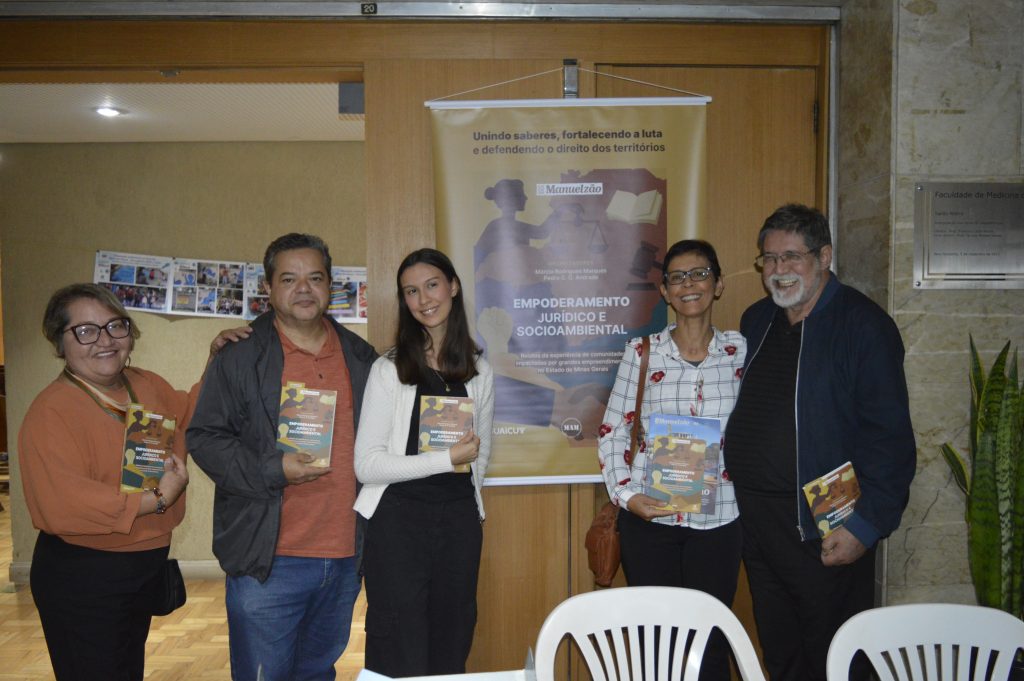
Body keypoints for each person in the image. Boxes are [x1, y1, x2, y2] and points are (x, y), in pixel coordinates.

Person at [724, 204, 916, 681]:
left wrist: (864, 527)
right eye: (769, 259)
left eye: (792, 256)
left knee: (836, 658)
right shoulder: (757, 320)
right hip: (759, 525)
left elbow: (891, 441)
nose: (779, 270)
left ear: (824, 256)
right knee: (781, 652)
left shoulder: (864, 327)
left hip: (825, 528)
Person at [18, 283, 245, 681]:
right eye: (85, 331)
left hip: (142, 565)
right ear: (59, 342)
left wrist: (216, 360)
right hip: (85, 575)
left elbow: (190, 414)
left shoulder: (144, 385)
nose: (105, 340)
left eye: (115, 326)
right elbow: (65, 501)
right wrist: (158, 498)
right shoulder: (51, 411)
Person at [186, 233, 378, 681]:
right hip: (269, 559)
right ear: (268, 289)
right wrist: (275, 469)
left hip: (345, 555)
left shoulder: (362, 358)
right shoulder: (239, 356)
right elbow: (205, 438)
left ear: (331, 286)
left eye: (315, 278)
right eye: (289, 279)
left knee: (317, 673)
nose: (304, 289)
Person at [597, 239, 746, 681]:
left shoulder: (741, 352)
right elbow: (612, 431)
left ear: (718, 284)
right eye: (677, 277)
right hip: (652, 521)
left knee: (710, 645)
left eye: (699, 274)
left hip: (720, 521)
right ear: (665, 291)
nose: (689, 284)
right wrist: (627, 496)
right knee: (657, 648)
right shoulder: (642, 353)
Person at [354, 248, 494, 677]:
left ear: (453, 287)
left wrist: (467, 496)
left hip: (457, 524)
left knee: (453, 636)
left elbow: (481, 454)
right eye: (411, 291)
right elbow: (367, 465)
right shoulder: (389, 369)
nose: (423, 299)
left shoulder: (479, 370)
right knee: (400, 643)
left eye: (432, 285)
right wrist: (444, 459)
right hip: (398, 524)